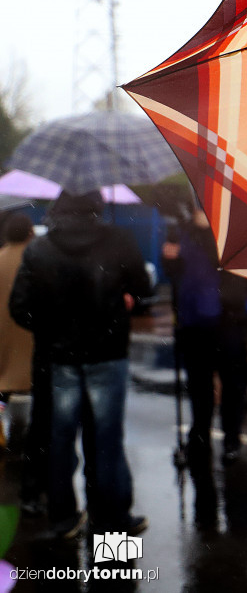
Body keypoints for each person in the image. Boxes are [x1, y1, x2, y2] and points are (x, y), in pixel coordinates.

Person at [9, 191, 151, 539]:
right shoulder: (119, 239)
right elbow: (143, 286)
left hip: (60, 359)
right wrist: (123, 300)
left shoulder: (39, 248)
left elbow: (20, 307)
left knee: (59, 440)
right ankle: (113, 527)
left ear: (58, 208)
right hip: (108, 355)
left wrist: (52, 328)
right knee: (106, 441)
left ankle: (63, 518)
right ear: (97, 205)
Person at [162, 203, 247, 465]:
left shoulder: (234, 233)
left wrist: (231, 292)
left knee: (233, 386)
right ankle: (200, 438)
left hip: (229, 323)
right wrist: (169, 260)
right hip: (194, 324)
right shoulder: (179, 232)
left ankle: (231, 440)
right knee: (199, 387)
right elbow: (173, 276)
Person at [0, 213, 35, 449]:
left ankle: (3, 433)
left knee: (3, 383)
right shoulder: (36, 259)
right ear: (30, 233)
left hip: (2, 331)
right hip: (28, 330)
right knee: (31, 380)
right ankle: (27, 435)